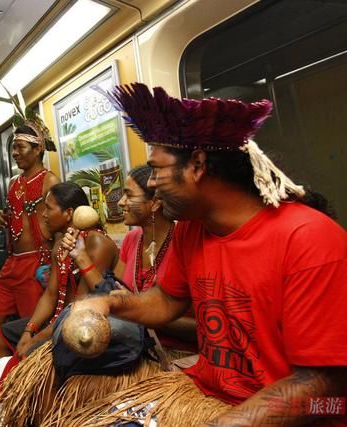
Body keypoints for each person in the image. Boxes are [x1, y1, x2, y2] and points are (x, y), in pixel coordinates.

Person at [63, 83, 347, 426]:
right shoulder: (192, 228)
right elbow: (166, 300)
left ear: (197, 165)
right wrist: (107, 303)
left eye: (157, 169)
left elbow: (326, 387)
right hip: (205, 396)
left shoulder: (309, 239)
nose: (151, 183)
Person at [0, 182, 118, 427]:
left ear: (69, 214)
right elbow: (50, 293)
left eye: (49, 209)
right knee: (0, 336)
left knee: (26, 353)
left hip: (83, 325)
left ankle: (14, 416)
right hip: (60, 318)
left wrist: (37, 338)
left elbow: (80, 306)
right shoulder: (61, 244)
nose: (44, 215)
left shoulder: (96, 244)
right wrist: (29, 330)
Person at [0, 108, 60, 328]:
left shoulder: (50, 180)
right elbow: (14, 215)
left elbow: (61, 225)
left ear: (38, 149)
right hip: (12, 262)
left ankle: (28, 362)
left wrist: (56, 265)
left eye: (20, 147)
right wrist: (0, 217)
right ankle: (10, 360)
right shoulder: (13, 183)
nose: (15, 153)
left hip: (37, 261)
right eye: (13, 148)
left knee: (32, 324)